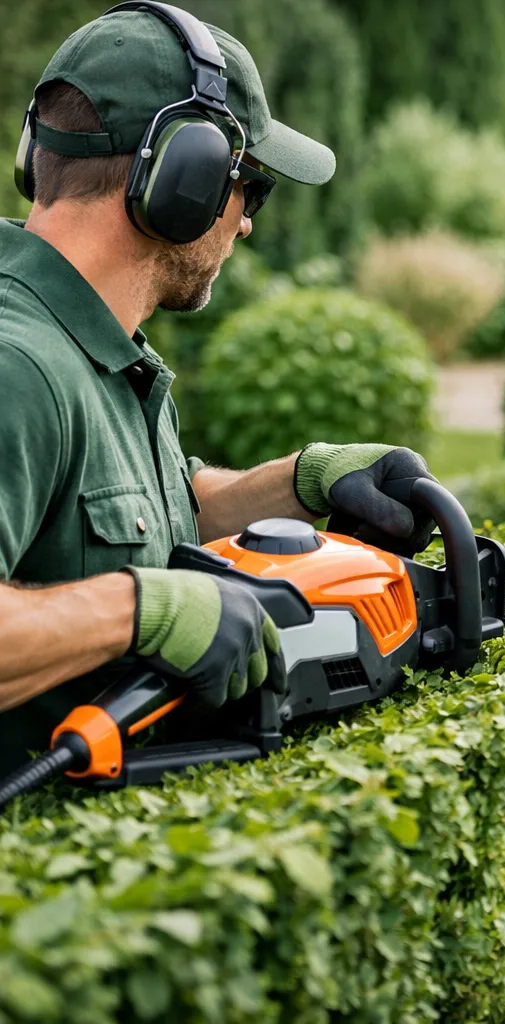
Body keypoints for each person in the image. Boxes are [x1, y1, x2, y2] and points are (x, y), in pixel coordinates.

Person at [0, 4, 437, 775]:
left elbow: (131, 521)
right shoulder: (19, 367)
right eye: (250, 186)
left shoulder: (94, 347)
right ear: (183, 178)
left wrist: (303, 483)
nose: (244, 226)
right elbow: (139, 586)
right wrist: (141, 611)